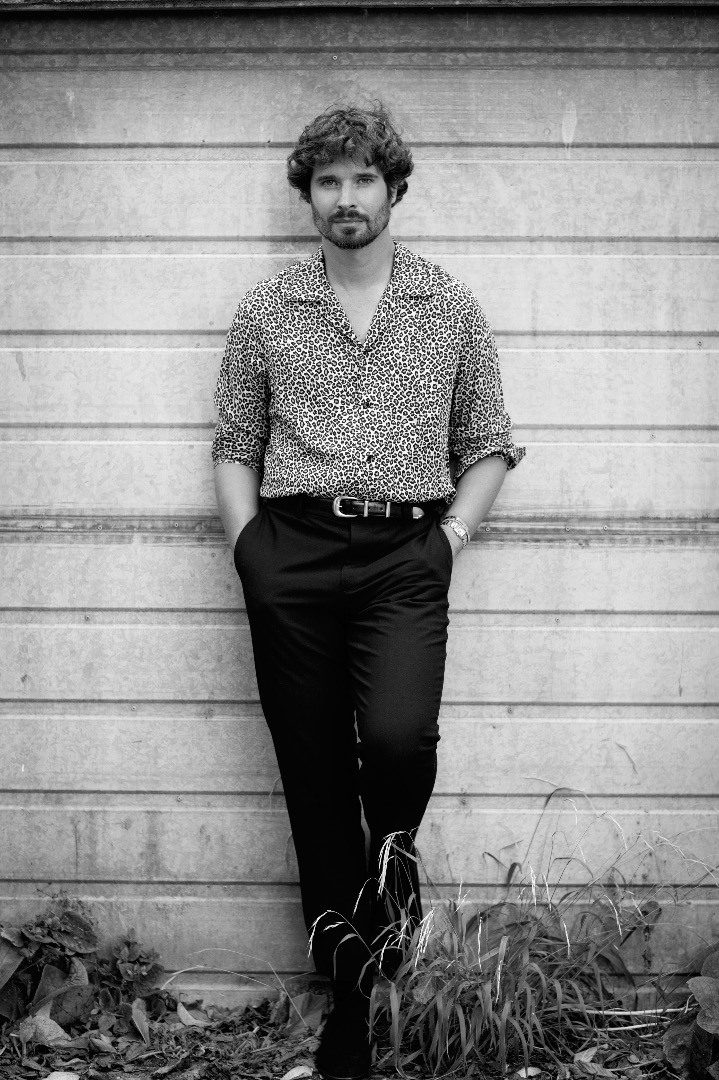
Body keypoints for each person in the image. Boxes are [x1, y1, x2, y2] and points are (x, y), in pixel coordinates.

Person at [212, 103, 525, 1080]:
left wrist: (447, 542)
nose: (345, 197)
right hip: (292, 554)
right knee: (313, 777)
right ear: (307, 195)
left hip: (405, 555)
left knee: (395, 743)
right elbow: (235, 442)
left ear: (394, 189)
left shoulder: (448, 306)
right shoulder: (268, 309)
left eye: (362, 179)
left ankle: (392, 887)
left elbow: (487, 444)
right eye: (327, 181)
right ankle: (350, 998)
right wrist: (251, 551)